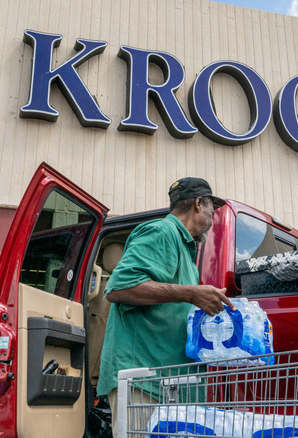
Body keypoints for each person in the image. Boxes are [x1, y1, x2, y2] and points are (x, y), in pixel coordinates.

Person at [96, 177, 235, 435]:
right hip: (143, 382)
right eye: (211, 209)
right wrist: (192, 294)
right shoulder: (162, 232)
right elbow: (118, 287)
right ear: (197, 203)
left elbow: (178, 306)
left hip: (168, 385)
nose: (212, 217)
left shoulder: (186, 249)